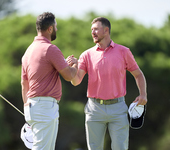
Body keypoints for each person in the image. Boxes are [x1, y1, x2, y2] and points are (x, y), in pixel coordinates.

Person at [67, 17, 147, 150]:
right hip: (94, 109)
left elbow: (138, 74)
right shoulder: (86, 55)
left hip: (118, 108)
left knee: (120, 147)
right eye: (91, 30)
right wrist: (74, 68)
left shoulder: (123, 52)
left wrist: (143, 94)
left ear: (106, 30)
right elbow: (76, 81)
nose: (92, 32)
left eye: (96, 29)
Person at [21, 12, 78, 150]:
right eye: (56, 27)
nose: (57, 29)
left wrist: (27, 107)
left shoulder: (28, 51)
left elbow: (24, 84)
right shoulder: (50, 49)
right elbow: (69, 76)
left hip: (32, 106)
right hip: (44, 107)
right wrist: (75, 65)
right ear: (50, 28)